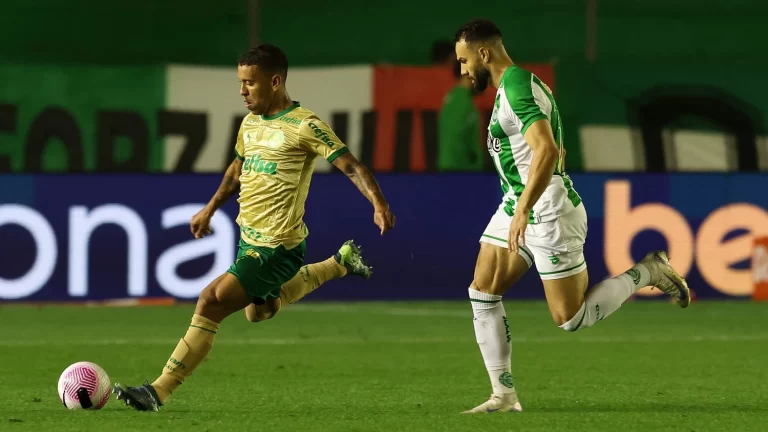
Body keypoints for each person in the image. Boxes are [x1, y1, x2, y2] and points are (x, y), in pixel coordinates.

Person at [112, 44, 396, 411]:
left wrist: (379, 202)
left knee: (211, 300)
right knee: (259, 311)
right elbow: (236, 172)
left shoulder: (305, 125)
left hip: (278, 247)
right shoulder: (249, 124)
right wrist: (210, 208)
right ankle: (339, 263)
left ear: (275, 81)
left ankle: (159, 390)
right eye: (240, 82)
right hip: (250, 241)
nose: (242, 90)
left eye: (250, 83)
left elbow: (352, 166)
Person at [453, 19, 690, 414]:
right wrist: (520, 204)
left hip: (545, 212)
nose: (462, 71)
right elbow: (551, 150)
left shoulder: (513, 87)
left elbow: (545, 151)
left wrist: (526, 208)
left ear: (483, 53)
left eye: (463, 61)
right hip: (518, 203)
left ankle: (649, 271)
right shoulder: (516, 86)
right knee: (482, 290)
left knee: (571, 318)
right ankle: (504, 395)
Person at [433, 41, 485, 172]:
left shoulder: (460, 98)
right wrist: (472, 158)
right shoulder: (460, 100)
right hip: (459, 173)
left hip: (460, 172)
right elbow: (455, 137)